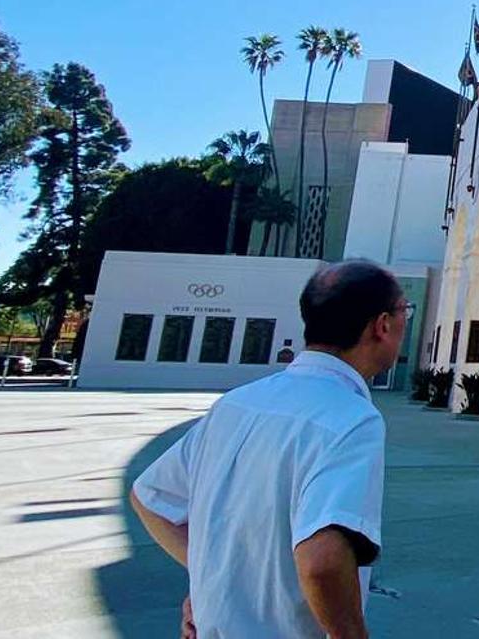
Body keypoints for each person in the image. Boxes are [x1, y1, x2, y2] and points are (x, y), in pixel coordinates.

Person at [129, 260, 407, 639]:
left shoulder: (237, 403)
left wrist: (210, 581)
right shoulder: (352, 418)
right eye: (404, 311)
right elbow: (322, 560)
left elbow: (150, 498)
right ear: (383, 325)